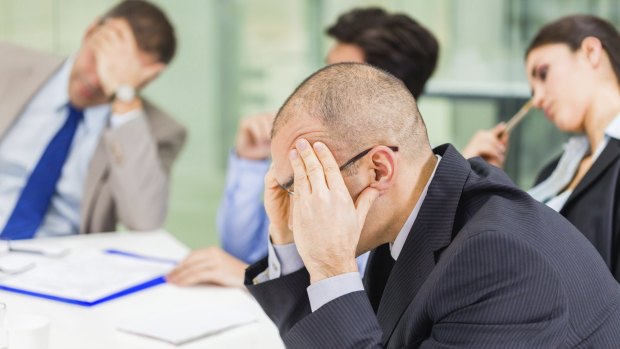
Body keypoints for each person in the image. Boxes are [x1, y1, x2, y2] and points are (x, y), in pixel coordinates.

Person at [245, 62, 620, 348]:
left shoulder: (498, 259)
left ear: (378, 169)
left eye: (308, 181)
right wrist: (287, 239)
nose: (303, 206)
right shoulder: (418, 211)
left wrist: (331, 269)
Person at [167, 7, 502, 287]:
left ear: (376, 87)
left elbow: (350, 294)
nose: (323, 82)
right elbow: (241, 246)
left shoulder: (395, 189)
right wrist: (249, 164)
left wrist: (258, 280)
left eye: (340, 73)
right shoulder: (311, 142)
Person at [0, 0, 186, 239]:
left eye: (116, 71)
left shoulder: (158, 131)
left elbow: (145, 222)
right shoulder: (6, 64)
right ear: (90, 33)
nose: (96, 80)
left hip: (59, 263)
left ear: (146, 79)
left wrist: (124, 97)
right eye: (99, 59)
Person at [523, 15, 620, 281]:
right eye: (532, 92)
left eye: (543, 74)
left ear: (591, 52)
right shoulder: (552, 172)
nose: (539, 100)